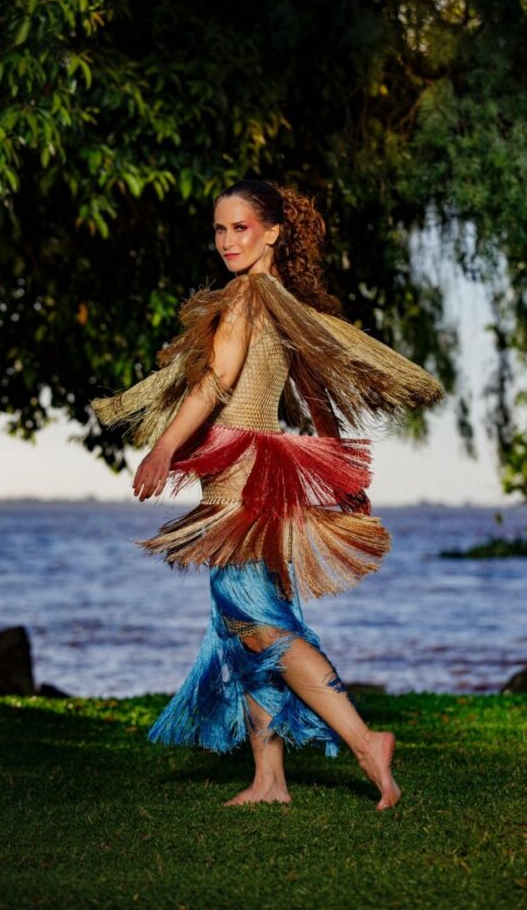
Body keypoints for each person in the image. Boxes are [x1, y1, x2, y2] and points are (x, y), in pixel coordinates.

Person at [91, 178, 445, 811]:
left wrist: (164, 448)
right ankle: (269, 780)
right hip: (259, 471)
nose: (227, 241)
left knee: (255, 623)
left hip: (242, 476)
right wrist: (342, 476)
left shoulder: (248, 296)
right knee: (245, 624)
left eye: (241, 228)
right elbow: (313, 395)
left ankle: (368, 743)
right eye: (219, 229)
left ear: (273, 232)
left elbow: (216, 383)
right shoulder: (278, 299)